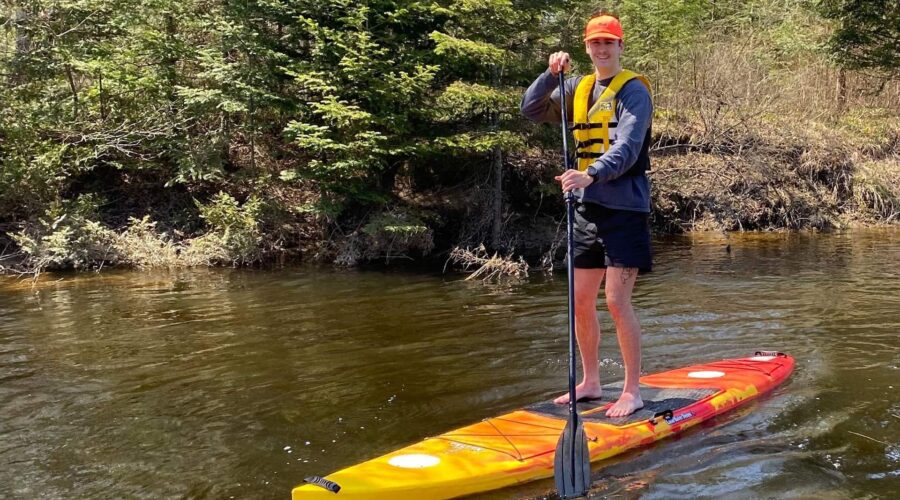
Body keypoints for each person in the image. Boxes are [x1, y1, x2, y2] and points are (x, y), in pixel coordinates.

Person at [520, 12, 653, 418]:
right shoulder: (576, 87)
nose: (602, 49)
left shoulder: (634, 91)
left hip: (625, 209)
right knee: (579, 300)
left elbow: (627, 147)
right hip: (585, 209)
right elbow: (531, 108)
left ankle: (632, 390)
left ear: (620, 46)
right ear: (587, 48)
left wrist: (590, 174)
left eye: (608, 42)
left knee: (616, 301)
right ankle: (591, 381)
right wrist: (549, 75)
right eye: (595, 43)